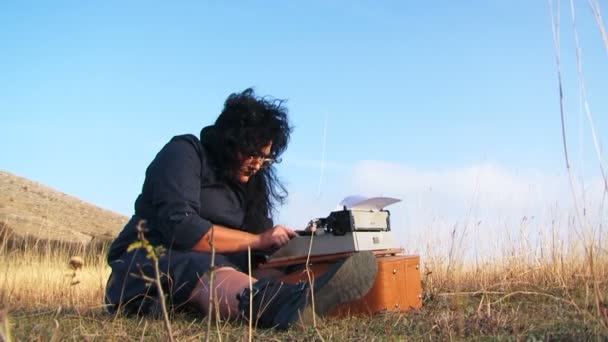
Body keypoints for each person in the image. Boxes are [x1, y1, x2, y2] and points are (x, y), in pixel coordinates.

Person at [104, 88, 378, 330]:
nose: (258, 163)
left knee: (272, 265)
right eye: (253, 153)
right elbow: (182, 229)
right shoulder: (184, 153)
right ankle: (278, 304)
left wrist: (292, 247)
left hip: (215, 272)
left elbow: (257, 249)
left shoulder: (251, 184)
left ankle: (314, 296)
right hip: (146, 267)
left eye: (265, 157)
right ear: (230, 141)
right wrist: (258, 239)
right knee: (197, 263)